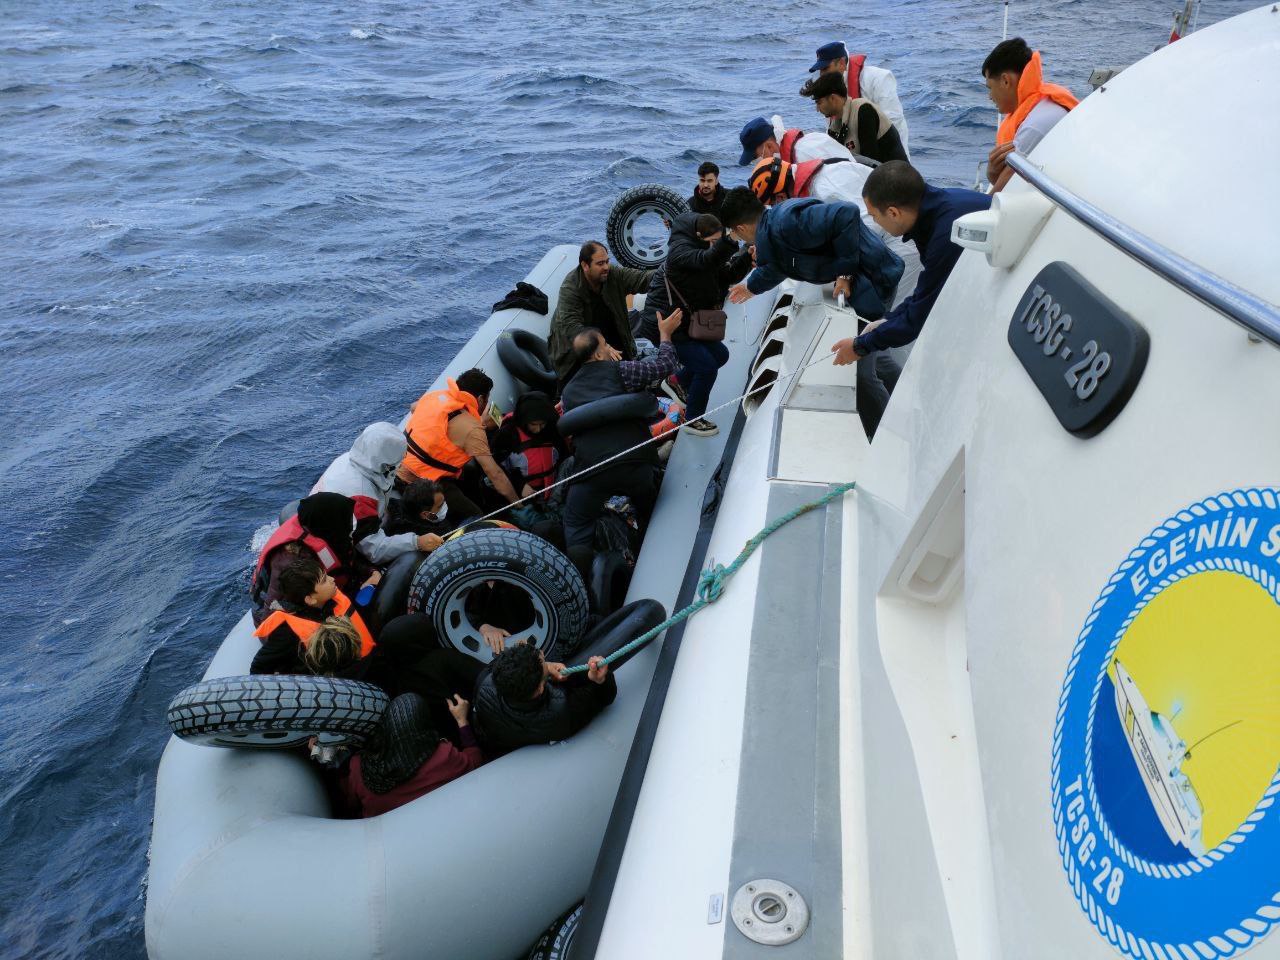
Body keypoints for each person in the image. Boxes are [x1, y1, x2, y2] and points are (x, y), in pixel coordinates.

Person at [747, 158, 914, 439]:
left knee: (864, 372)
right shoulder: (806, 198)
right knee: (879, 354)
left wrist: (844, 273)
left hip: (882, 266)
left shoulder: (813, 198)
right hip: (880, 264)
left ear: (778, 196)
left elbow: (852, 222)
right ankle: (908, 406)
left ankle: (891, 436)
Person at [559, 308, 683, 577]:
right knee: (650, 507)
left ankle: (580, 589)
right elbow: (665, 366)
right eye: (606, 344)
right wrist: (665, 335)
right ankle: (652, 563)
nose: (610, 347)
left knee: (576, 524)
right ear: (598, 353)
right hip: (635, 464)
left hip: (591, 471)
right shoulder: (622, 371)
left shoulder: (568, 392)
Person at [831, 160, 992, 367]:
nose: (875, 223)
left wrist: (860, 346)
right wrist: (888, 320)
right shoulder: (935, 210)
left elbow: (919, 316)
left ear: (893, 213)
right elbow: (926, 291)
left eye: (874, 216)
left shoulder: (945, 234)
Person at [638, 213, 751, 434]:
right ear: (699, 236)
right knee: (706, 366)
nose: (714, 246)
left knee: (720, 355)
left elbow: (725, 275)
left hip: (686, 321)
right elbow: (705, 261)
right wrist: (730, 241)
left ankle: (675, 381)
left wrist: (747, 256)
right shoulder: (681, 252)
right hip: (665, 324)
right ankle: (693, 419)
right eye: (712, 242)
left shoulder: (704, 250)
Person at [312, 421, 444, 564]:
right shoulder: (361, 496)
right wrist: (417, 542)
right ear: (386, 465)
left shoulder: (350, 459)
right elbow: (374, 549)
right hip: (345, 544)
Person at [340, 692, 485, 818]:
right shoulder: (444, 756)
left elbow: (350, 803)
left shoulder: (359, 766)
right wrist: (462, 721)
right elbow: (475, 762)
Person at [397, 368, 519, 516]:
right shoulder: (473, 430)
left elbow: (413, 407)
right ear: (480, 399)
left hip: (399, 465)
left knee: (471, 472)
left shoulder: (434, 397)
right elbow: (495, 474)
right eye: (487, 399)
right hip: (423, 484)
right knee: (476, 516)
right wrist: (519, 504)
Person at [470, 642, 614, 755]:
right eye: (544, 660)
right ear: (539, 689)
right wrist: (600, 680)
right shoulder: (562, 712)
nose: (544, 656)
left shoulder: (484, 686)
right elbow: (604, 697)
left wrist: (547, 667)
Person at [250, 491, 372, 621]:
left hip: (317, 597)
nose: (349, 527)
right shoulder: (290, 562)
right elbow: (274, 612)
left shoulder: (323, 530)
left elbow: (346, 559)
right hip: (287, 619)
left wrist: (371, 572)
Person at [250, 556, 379, 678]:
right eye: (323, 580)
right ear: (310, 599)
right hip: (349, 683)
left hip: (367, 661)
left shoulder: (330, 600)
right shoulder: (287, 633)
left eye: (326, 575)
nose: (331, 579)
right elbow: (258, 668)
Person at [548, 241, 654, 384]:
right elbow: (571, 327)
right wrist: (600, 346)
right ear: (585, 266)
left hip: (611, 339)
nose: (606, 267)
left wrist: (668, 271)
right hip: (579, 351)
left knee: (629, 380)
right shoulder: (571, 288)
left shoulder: (613, 274)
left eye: (607, 262)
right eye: (600, 264)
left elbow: (643, 279)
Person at [982, 38, 1078, 193]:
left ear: (1006, 81)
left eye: (990, 87)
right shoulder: (1043, 103)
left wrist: (991, 172)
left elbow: (1000, 197)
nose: (989, 96)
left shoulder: (1034, 126)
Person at [807, 40, 910, 155]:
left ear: (841, 63)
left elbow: (893, 121)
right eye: (820, 70)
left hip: (890, 155)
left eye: (825, 68)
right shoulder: (829, 92)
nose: (822, 75)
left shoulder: (879, 78)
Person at [805, 71, 908, 165]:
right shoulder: (835, 127)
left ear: (833, 98)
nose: (817, 109)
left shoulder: (864, 110)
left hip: (898, 179)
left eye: (819, 103)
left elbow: (871, 162)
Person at [489, 391, 568, 499]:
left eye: (542, 424)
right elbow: (495, 467)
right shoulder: (507, 434)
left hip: (553, 488)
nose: (539, 429)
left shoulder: (552, 428)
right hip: (521, 493)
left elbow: (564, 456)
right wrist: (520, 486)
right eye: (533, 424)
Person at [737, 114, 851, 168]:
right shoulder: (796, 150)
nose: (757, 164)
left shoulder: (804, 156)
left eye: (755, 158)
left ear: (769, 146)